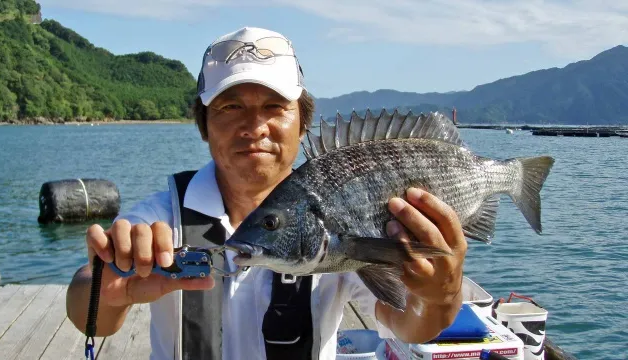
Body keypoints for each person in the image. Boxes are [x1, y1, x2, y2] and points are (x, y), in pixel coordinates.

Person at [65, 26, 467, 360]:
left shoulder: (336, 209)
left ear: (302, 122)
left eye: (275, 106)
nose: (254, 126)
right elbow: (90, 315)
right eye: (230, 107)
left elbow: (411, 325)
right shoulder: (161, 217)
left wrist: (441, 296)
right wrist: (109, 290)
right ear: (204, 125)